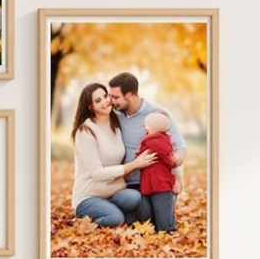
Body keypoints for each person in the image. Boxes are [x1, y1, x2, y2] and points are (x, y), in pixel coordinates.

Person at [69, 81, 153, 230]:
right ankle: (84, 223)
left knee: (135, 198)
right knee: (116, 218)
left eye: (106, 95)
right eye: (98, 100)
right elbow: (97, 173)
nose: (106, 101)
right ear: (90, 107)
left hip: (112, 193)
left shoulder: (115, 124)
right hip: (89, 196)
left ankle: (109, 212)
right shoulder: (86, 131)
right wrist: (134, 165)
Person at [109, 71, 185, 227]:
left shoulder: (157, 114)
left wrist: (177, 177)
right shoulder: (115, 115)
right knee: (143, 222)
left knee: (161, 226)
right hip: (130, 184)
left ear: (130, 95)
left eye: (115, 97)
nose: (111, 101)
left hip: (158, 181)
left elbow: (178, 148)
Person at [133, 107, 178, 236]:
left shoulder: (153, 141)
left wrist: (139, 156)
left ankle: (166, 231)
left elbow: (159, 152)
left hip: (159, 183)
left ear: (151, 128)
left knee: (163, 211)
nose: (144, 127)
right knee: (162, 210)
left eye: (146, 125)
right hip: (157, 182)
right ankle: (167, 229)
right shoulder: (161, 140)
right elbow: (167, 156)